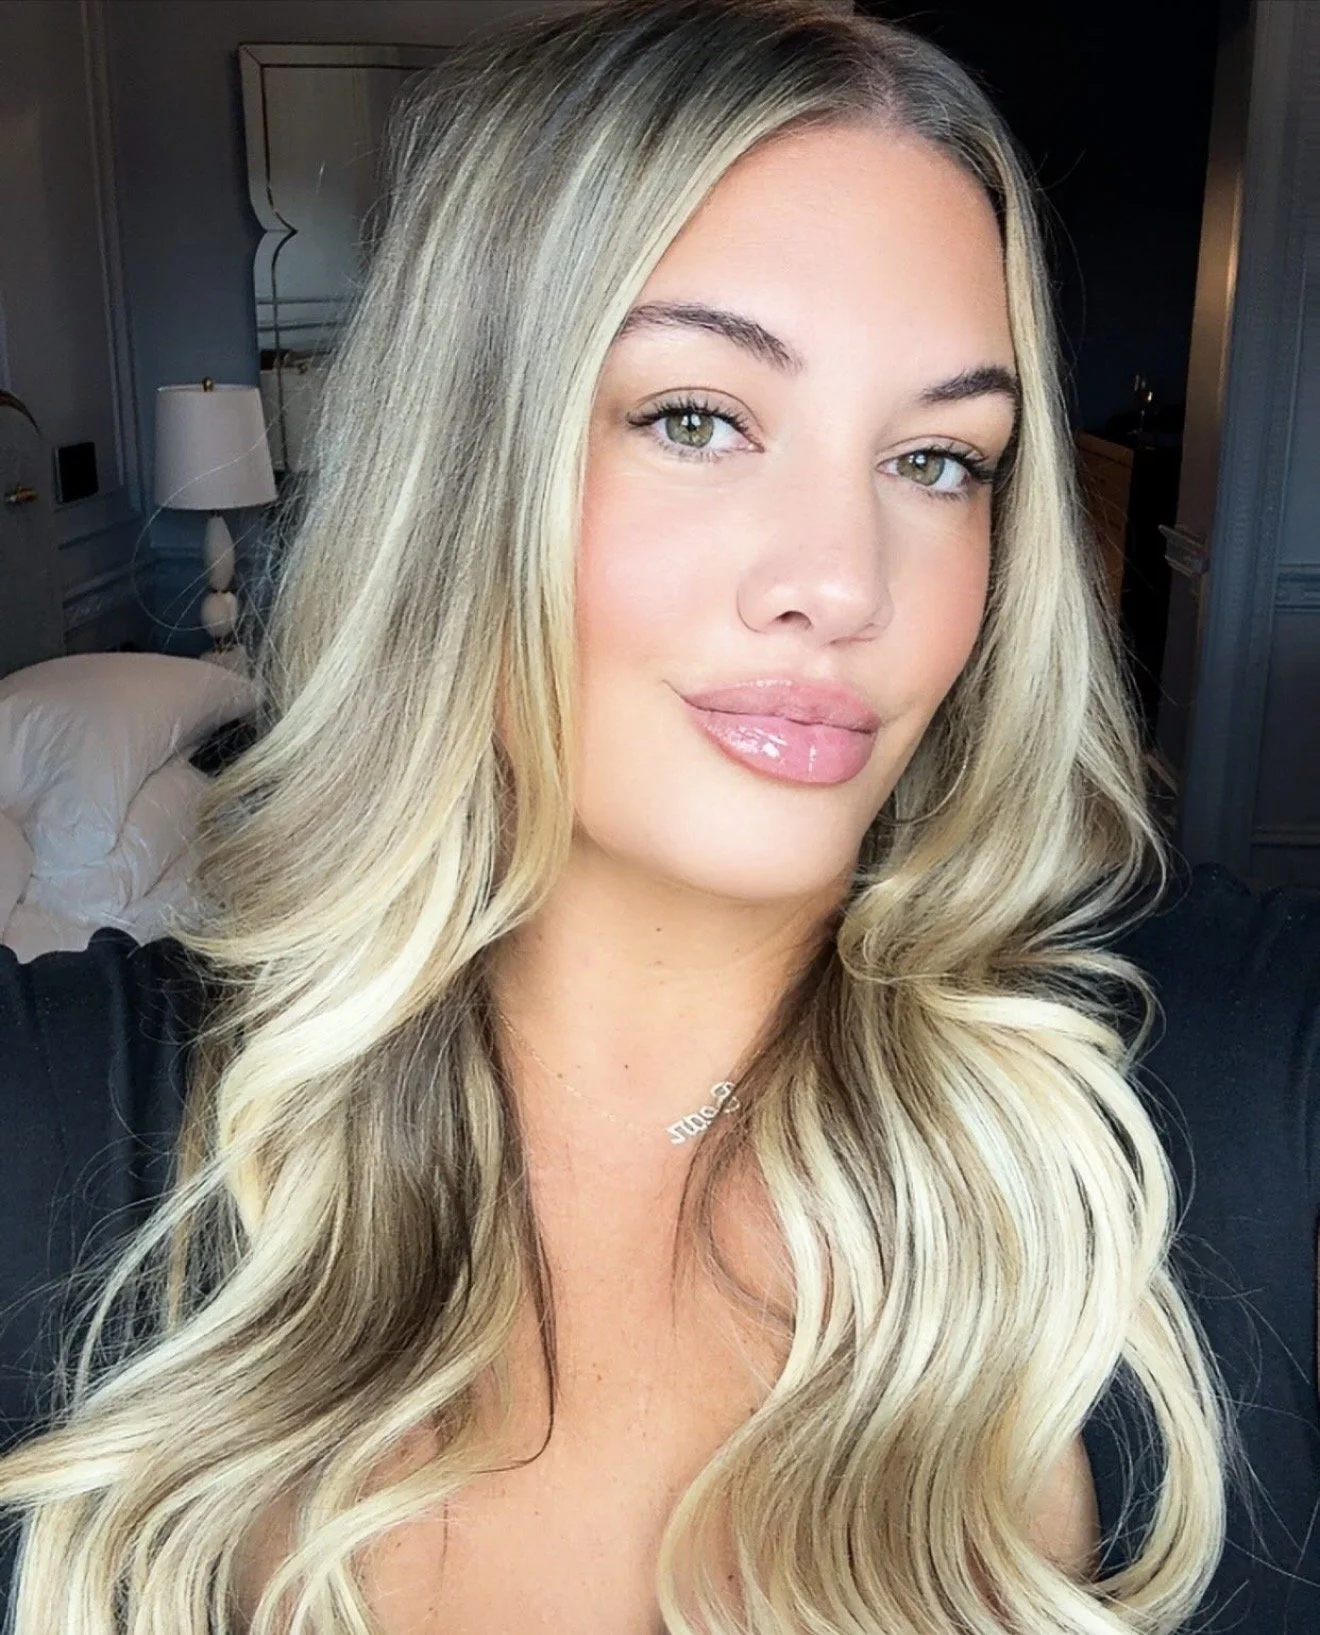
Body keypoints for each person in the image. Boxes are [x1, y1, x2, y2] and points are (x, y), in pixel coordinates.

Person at [0, 1, 1316, 1631]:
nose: (844, 582)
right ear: (457, 468)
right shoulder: (68, 1118)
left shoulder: (1236, 1082)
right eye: (697, 418)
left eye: (939, 460)